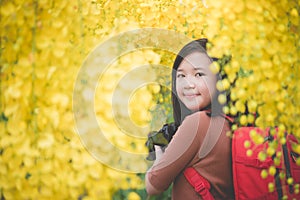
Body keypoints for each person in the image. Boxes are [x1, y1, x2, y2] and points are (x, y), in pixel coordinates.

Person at [145, 39, 234, 199]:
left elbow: (153, 186)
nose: (188, 84)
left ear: (220, 79)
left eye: (198, 74)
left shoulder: (198, 123)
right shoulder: (229, 123)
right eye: (181, 75)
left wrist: (159, 150)